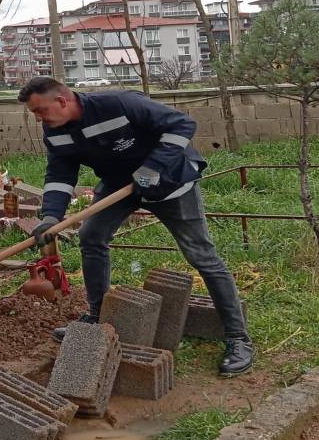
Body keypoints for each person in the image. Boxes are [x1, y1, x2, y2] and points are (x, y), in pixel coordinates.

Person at [18, 77, 254, 377]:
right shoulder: (54, 132)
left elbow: (182, 125)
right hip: (119, 186)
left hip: (170, 182)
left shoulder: (119, 104)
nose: (38, 118)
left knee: (201, 255)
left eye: (40, 110)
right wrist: (51, 216)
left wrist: (153, 168)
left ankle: (238, 339)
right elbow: (60, 173)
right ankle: (97, 317)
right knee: (91, 237)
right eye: (34, 114)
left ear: (63, 101)